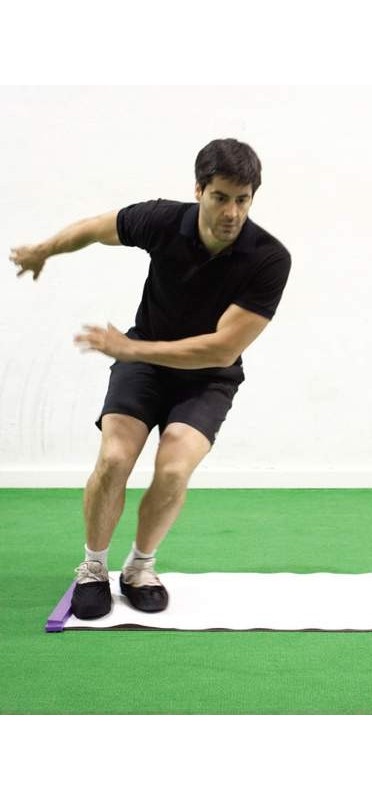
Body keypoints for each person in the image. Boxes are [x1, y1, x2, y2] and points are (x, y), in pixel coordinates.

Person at [8, 138, 291, 620]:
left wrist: (130, 349)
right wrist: (44, 250)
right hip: (143, 365)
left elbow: (222, 348)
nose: (231, 212)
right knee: (115, 458)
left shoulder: (268, 258)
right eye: (220, 197)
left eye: (242, 200)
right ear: (199, 190)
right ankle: (93, 567)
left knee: (175, 469)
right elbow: (96, 228)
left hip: (208, 376)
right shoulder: (163, 220)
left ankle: (140, 567)